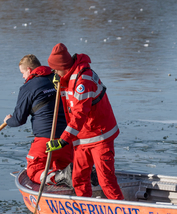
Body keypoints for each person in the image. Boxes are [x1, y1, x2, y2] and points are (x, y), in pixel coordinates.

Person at [45, 43, 125, 200]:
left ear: (63, 66)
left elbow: (79, 114)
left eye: (55, 70)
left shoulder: (83, 82)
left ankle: (121, 211)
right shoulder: (69, 76)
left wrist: (62, 140)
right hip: (82, 136)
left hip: (99, 135)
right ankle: (85, 209)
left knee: (105, 180)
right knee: (79, 178)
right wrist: (61, 85)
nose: (54, 73)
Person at [4, 54, 73, 186]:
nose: (23, 77)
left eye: (23, 73)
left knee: (33, 170)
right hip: (67, 137)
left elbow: (19, 119)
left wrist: (8, 121)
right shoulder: (57, 77)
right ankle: (66, 176)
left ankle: (57, 177)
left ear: (29, 70)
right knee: (66, 166)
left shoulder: (28, 86)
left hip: (45, 140)